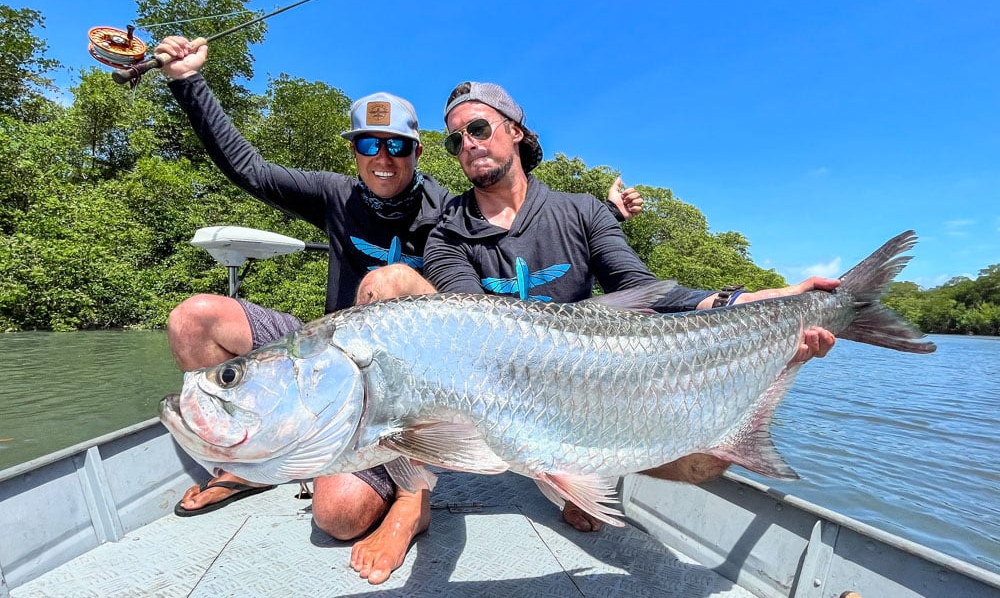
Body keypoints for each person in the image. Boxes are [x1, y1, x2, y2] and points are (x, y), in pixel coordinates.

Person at [154, 37, 642, 584]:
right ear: (355, 152)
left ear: (417, 152)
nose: (383, 159)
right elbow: (249, 168)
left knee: (338, 513)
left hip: (415, 383)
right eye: (368, 145)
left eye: (397, 146)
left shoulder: (449, 212)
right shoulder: (332, 195)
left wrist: (604, 218)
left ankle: (414, 497)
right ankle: (242, 463)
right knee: (193, 317)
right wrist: (188, 81)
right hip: (329, 353)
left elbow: (518, 239)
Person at [416, 80, 838, 532]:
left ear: (516, 130)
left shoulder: (583, 211)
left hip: (592, 385)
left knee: (707, 461)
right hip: (499, 400)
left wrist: (747, 300)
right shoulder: (446, 233)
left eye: (478, 127)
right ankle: (542, 473)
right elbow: (469, 322)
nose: (469, 144)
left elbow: (639, 286)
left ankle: (593, 466)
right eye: (456, 139)